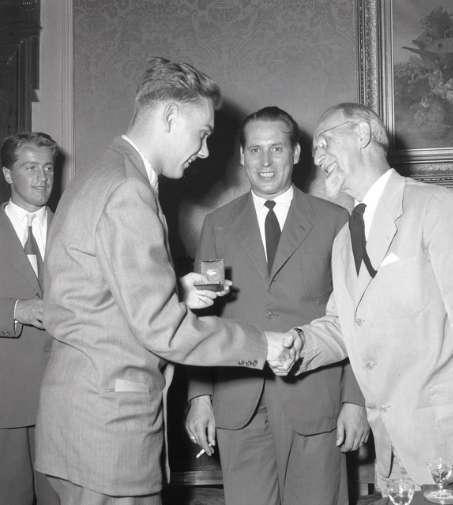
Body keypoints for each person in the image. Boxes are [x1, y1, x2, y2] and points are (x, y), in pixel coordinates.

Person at [34, 58, 300, 504]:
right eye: (203, 133)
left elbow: (93, 292)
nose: (205, 151)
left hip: (80, 417)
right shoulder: (128, 190)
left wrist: (176, 290)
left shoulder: (100, 173)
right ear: (171, 116)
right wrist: (261, 345)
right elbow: (164, 330)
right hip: (108, 429)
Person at [275, 102, 453, 492]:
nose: (317, 157)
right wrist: (298, 344)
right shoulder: (344, 240)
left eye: (325, 142)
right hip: (391, 450)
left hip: (452, 444)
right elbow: (344, 323)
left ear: (362, 133)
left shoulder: (435, 207)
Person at [185, 106, 369, 505]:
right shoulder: (218, 224)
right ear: (241, 156)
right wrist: (199, 397)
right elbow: (203, 315)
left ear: (296, 153)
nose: (265, 162)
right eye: (255, 150)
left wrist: (355, 400)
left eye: (277, 149)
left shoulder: (335, 221)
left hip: (315, 398)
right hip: (237, 399)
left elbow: (357, 316)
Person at [0, 132, 60, 504]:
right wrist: (15, 310)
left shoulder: (74, 227)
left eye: (49, 168)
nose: (42, 178)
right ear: (8, 174)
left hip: (64, 396)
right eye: (31, 168)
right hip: (5, 398)